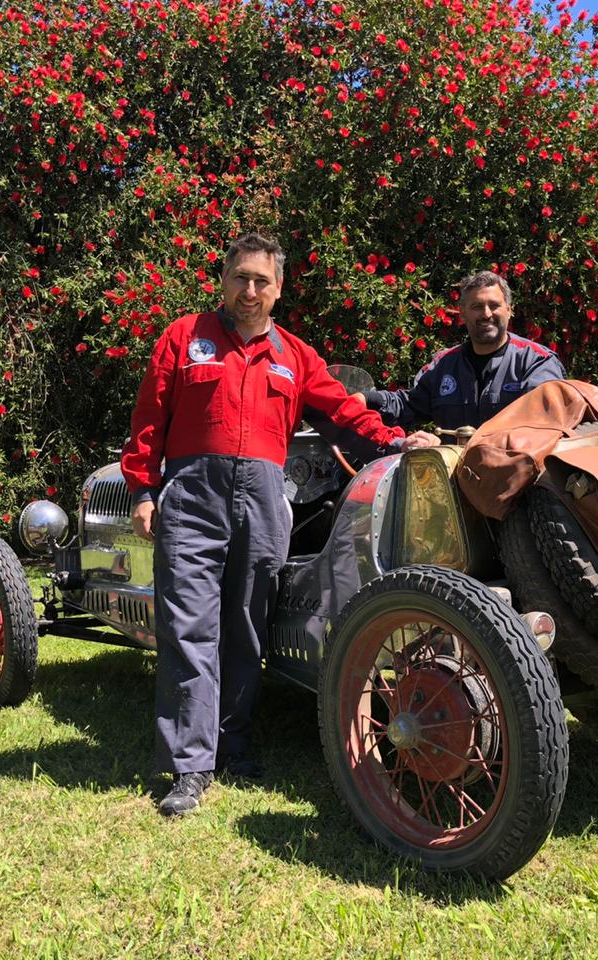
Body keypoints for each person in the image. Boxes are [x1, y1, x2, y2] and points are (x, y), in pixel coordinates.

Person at [120, 232, 438, 817]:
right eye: (240, 277)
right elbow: (148, 420)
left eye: (261, 281)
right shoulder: (184, 339)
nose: (249, 290)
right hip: (192, 494)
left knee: (246, 625)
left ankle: (233, 744)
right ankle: (190, 767)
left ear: (279, 288)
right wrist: (144, 488)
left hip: (265, 497)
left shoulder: (294, 356)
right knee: (190, 626)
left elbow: (344, 412)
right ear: (223, 279)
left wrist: (395, 440)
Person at [355, 271, 566, 430]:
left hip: (520, 481)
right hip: (453, 481)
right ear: (463, 314)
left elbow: (543, 419)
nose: (486, 314)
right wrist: (367, 400)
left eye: (494, 305)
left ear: (509, 311)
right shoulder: (442, 366)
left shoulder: (537, 362)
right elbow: (410, 404)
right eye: (476, 307)